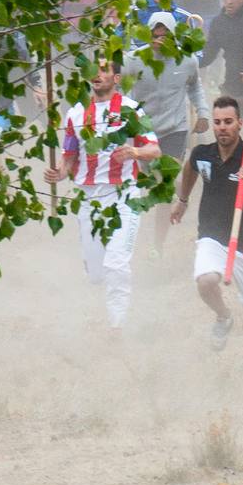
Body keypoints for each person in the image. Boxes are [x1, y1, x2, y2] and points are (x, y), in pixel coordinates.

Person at [44, 60, 160, 331]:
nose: (96, 75)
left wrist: (134, 152)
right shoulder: (75, 114)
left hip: (125, 195)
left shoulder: (131, 110)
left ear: (117, 78)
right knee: (97, 274)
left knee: (116, 263)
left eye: (104, 70)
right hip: (89, 199)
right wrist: (58, 173)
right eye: (94, 70)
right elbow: (69, 157)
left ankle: (117, 325)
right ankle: (103, 287)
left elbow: (154, 150)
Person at [169, 96, 243, 352]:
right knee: (205, 281)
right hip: (212, 237)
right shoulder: (203, 154)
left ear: (240, 123)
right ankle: (223, 316)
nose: (222, 127)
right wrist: (183, 200)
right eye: (218, 122)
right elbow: (190, 169)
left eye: (228, 122)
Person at [126, 12, 209, 255]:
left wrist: (202, 113)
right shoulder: (134, 60)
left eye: (165, 36)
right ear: (148, 34)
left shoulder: (187, 60)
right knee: (149, 185)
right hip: (144, 130)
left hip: (175, 128)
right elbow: (121, 92)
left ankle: (157, 246)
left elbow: (195, 87)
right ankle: (135, 239)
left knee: (164, 185)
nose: (160, 40)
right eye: (155, 35)